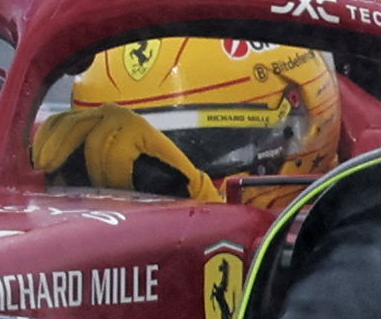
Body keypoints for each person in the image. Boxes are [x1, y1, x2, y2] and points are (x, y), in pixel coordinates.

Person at [31, 37, 338, 201]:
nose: (143, 181)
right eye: (99, 157)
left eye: (197, 151)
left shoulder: (363, 243)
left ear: (298, 119)